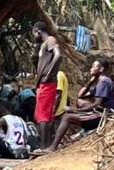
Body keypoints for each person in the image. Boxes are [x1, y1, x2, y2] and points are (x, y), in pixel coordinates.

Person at [38, 58, 114, 154]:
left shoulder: (103, 82)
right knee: (80, 101)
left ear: (101, 69)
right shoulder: (101, 81)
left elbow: (97, 104)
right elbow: (80, 95)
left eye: (93, 67)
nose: (91, 69)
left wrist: (74, 110)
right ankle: (85, 129)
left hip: (103, 116)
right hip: (100, 112)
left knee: (67, 117)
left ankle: (53, 147)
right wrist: (91, 81)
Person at [32, 21, 62, 149]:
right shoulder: (42, 45)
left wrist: (49, 74)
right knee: (45, 115)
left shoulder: (50, 40)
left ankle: (43, 146)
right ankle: (47, 145)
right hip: (44, 84)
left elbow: (58, 55)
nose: (34, 37)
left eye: (34, 34)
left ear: (38, 31)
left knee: (42, 115)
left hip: (47, 83)